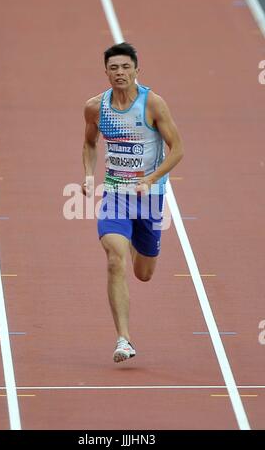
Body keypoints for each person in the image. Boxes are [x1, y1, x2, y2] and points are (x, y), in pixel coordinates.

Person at [82, 43, 184, 363]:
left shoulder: (153, 104)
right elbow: (89, 143)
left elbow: (178, 149)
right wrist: (88, 174)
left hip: (149, 197)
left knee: (143, 273)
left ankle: (141, 242)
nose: (120, 73)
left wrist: (151, 179)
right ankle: (123, 339)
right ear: (106, 72)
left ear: (137, 69)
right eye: (114, 68)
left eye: (126, 67)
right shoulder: (97, 108)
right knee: (115, 258)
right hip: (115, 195)